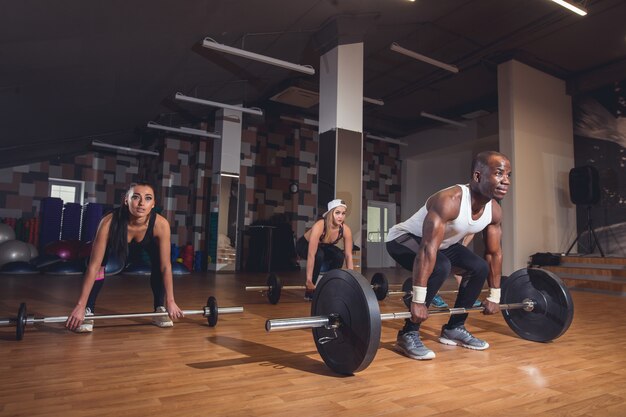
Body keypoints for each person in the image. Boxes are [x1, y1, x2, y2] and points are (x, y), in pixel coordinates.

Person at [385, 151, 511, 360]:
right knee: (440, 265)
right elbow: (427, 249)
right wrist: (418, 300)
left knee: (479, 268)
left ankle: (455, 327)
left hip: (441, 244)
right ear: (478, 176)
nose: (505, 181)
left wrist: (495, 295)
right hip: (403, 239)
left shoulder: (494, 211)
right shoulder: (449, 200)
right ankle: (408, 333)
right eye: (499, 174)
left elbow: (494, 253)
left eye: (508, 175)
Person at [65, 182, 184, 333]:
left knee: (159, 263)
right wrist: (80, 305)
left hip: (146, 245)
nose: (141, 203)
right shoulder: (108, 222)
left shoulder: (161, 225)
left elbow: (166, 266)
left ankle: (159, 309)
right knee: (100, 266)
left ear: (153, 204)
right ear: (126, 200)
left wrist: (171, 301)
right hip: (116, 245)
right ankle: (88, 309)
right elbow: (94, 266)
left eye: (148, 198)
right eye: (136, 197)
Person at [296, 199, 354, 300]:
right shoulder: (320, 225)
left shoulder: (345, 229)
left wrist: (352, 280)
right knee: (319, 254)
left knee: (339, 255)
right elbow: (311, 254)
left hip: (323, 246)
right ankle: (310, 292)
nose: (341, 216)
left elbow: (348, 255)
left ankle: (329, 286)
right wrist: (308, 280)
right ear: (331, 213)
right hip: (304, 245)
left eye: (343, 213)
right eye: (337, 213)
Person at [430, 233, 481, 309]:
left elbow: (471, 233)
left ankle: (467, 295)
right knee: (439, 267)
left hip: (453, 242)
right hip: (436, 242)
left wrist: (463, 247)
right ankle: (432, 295)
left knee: (463, 268)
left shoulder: (474, 224)